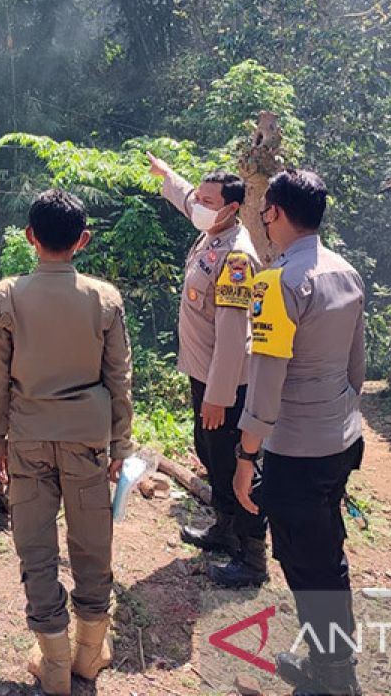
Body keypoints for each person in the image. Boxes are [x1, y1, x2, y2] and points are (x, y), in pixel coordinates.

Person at [0, 189, 134, 696]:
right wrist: (121, 447)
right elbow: (120, 380)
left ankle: (53, 661)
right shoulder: (104, 299)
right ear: (83, 240)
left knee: (35, 546)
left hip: (27, 438)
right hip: (88, 442)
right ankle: (90, 653)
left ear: (30, 237)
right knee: (93, 541)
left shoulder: (7, 296)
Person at [232, 169, 366, 695]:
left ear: (278, 214)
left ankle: (333, 677)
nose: (263, 221)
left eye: (265, 212)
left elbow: (266, 383)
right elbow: (357, 368)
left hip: (296, 448)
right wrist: (338, 414)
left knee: (306, 559)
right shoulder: (346, 273)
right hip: (339, 439)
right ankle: (331, 662)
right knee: (325, 550)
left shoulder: (278, 282)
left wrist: (246, 453)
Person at [147, 152, 269, 588]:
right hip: (203, 372)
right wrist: (167, 176)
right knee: (208, 452)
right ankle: (224, 529)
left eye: (207, 200)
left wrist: (219, 396)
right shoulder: (212, 230)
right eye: (198, 196)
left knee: (235, 462)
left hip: (227, 382)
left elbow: (235, 336)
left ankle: (252, 558)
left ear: (231, 208)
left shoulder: (236, 258)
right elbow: (186, 200)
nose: (197, 204)